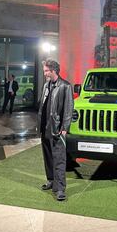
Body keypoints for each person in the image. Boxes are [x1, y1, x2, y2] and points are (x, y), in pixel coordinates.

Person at [37, 59, 74, 201]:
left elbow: (68, 109)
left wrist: (65, 128)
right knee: (48, 157)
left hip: (57, 128)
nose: (45, 73)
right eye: (44, 70)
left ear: (54, 70)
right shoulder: (46, 85)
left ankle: (60, 189)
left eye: (46, 71)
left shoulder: (65, 86)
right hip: (44, 127)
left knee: (59, 159)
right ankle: (51, 180)